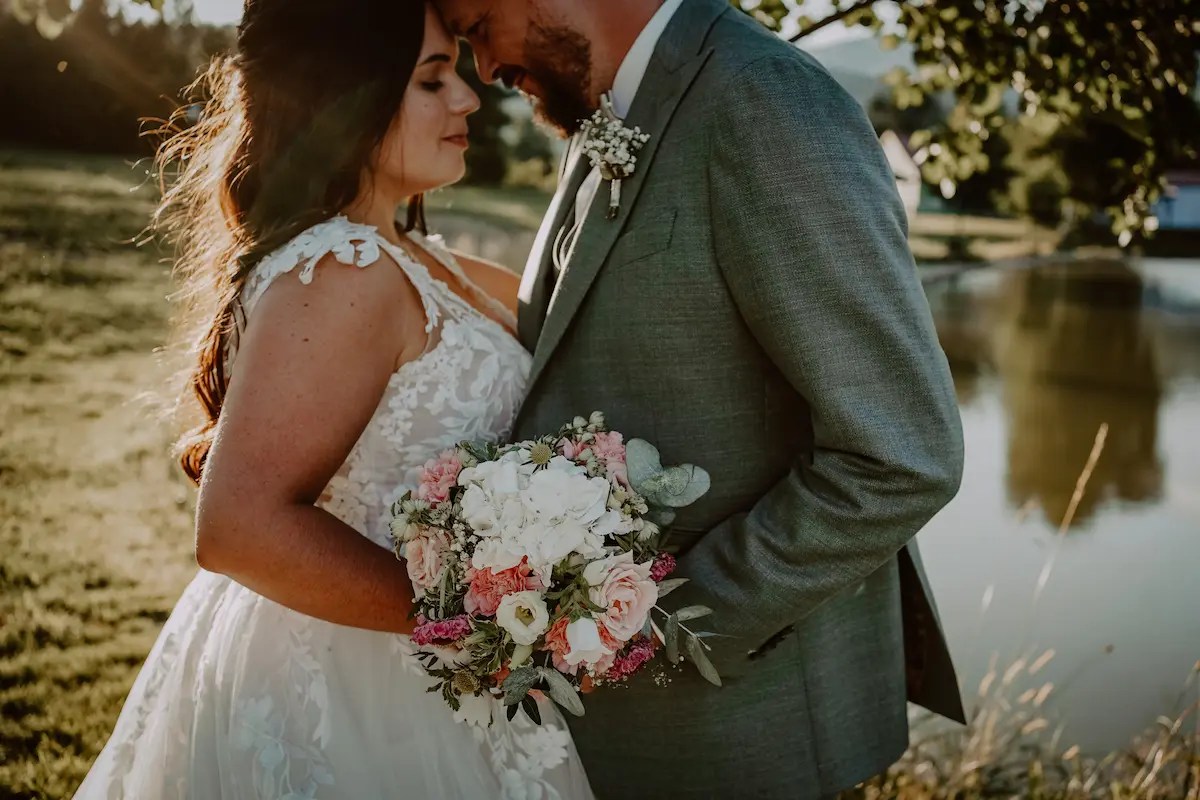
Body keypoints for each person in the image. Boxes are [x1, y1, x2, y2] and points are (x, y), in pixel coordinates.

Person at [436, 0, 967, 796]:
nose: (483, 71)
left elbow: (901, 455)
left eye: (477, 27)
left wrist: (656, 622)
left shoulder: (765, 101)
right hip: (623, 739)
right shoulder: (611, 108)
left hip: (747, 733)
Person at [74, 2, 593, 797]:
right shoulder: (340, 272)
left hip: (439, 680)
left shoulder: (414, 258)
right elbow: (241, 528)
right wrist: (478, 620)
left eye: (454, 72)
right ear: (346, 96)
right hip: (354, 693)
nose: (467, 100)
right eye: (431, 80)